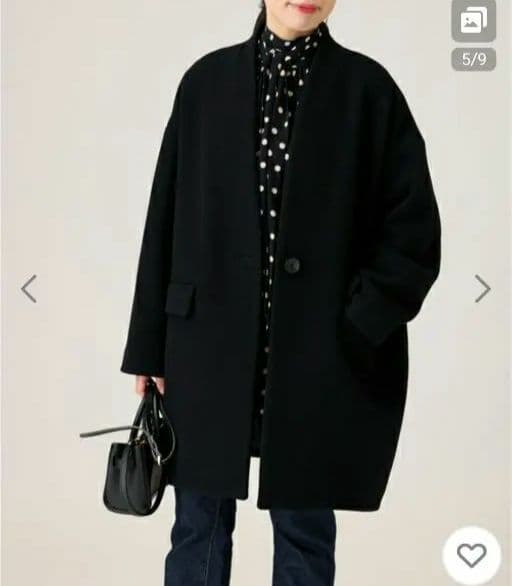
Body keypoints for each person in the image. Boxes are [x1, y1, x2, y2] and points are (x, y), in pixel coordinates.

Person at [120, 1, 442, 584]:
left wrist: (358, 324)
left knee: (304, 531)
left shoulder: (368, 91)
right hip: (207, 347)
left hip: (318, 359)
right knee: (197, 527)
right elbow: (163, 219)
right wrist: (148, 345)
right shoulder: (205, 84)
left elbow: (413, 232)